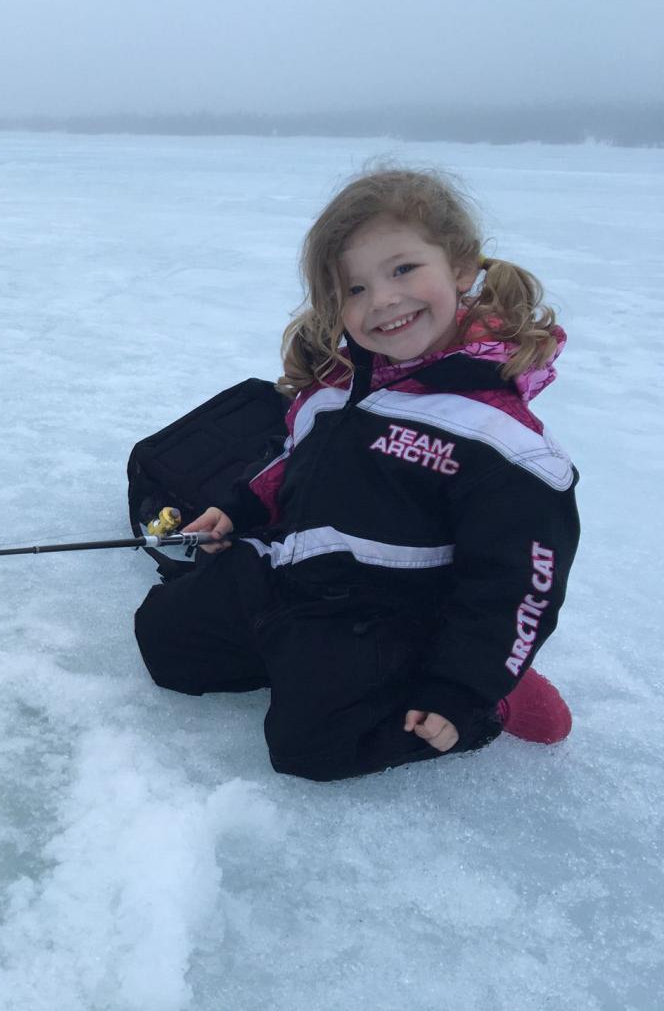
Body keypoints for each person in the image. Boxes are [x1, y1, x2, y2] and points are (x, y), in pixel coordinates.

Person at [134, 167, 580, 782]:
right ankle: (298, 661)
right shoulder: (335, 389)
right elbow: (294, 465)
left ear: (458, 267)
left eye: (402, 270)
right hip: (294, 575)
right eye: (356, 289)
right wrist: (241, 508)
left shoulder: (498, 440)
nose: (384, 300)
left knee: (312, 746)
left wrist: (464, 686)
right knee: (167, 643)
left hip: (390, 613)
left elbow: (516, 585)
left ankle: (497, 697)